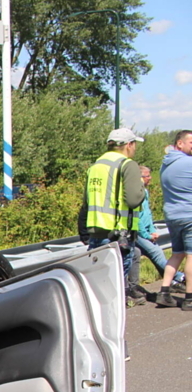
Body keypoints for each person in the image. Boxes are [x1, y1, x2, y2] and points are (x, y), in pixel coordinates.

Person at [78, 127, 147, 306]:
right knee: (114, 287)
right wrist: (141, 188)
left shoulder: (96, 166)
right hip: (119, 232)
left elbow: (86, 201)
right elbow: (133, 200)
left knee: (97, 284)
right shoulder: (127, 164)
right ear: (129, 145)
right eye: (134, 145)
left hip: (96, 230)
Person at [129, 165, 185, 294]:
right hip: (138, 232)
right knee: (156, 254)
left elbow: (147, 215)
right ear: (139, 178)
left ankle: (172, 282)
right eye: (147, 176)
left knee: (154, 255)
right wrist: (146, 235)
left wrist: (152, 230)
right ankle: (180, 277)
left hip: (145, 232)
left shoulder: (145, 192)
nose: (150, 178)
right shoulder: (136, 193)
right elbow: (136, 218)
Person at [157, 130, 192, 309]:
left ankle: (164, 291)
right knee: (191, 256)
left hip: (171, 215)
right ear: (180, 143)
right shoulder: (189, 163)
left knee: (177, 253)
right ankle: (189, 298)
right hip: (189, 214)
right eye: (191, 142)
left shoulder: (165, 164)